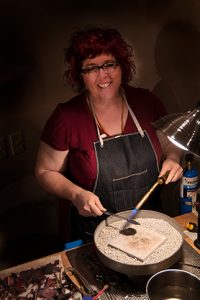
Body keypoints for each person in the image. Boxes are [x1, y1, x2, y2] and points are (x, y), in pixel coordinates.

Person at [35, 26, 183, 243]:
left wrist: (173, 158)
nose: (103, 75)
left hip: (149, 226)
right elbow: (44, 171)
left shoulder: (146, 102)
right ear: (80, 76)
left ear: (121, 66)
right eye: (91, 68)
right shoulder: (66, 118)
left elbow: (169, 144)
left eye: (109, 64)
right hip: (91, 232)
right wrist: (76, 195)